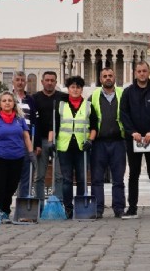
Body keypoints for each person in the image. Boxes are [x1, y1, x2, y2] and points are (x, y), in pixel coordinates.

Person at [120, 61, 150, 219]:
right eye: (139, 71)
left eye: (144, 71)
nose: (142, 73)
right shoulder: (127, 92)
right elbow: (124, 114)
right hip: (133, 139)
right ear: (135, 73)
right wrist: (132, 132)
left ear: (149, 72)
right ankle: (132, 208)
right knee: (134, 173)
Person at [0, 91, 34, 220]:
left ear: (14, 104)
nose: (7, 103)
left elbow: (26, 136)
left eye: (10, 100)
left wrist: (31, 152)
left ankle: (5, 210)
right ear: (0, 104)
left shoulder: (20, 120)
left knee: (11, 186)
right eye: (4, 100)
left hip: (17, 157)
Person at [54, 76, 98, 219]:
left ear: (81, 89)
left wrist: (90, 140)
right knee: (66, 179)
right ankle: (68, 207)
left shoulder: (88, 106)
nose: (75, 90)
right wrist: (51, 142)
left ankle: (80, 206)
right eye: (72, 87)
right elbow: (54, 125)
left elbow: (94, 126)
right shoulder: (60, 106)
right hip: (64, 147)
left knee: (81, 178)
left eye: (78, 87)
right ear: (68, 89)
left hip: (82, 147)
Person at [88, 67, 126, 219]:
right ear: (100, 79)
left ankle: (119, 208)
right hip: (99, 142)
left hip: (118, 141)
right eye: (105, 76)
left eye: (110, 75)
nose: (108, 78)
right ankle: (97, 209)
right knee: (97, 178)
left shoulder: (123, 95)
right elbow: (88, 119)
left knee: (118, 178)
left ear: (114, 77)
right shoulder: (93, 96)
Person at [31, 71, 66, 209]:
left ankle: (57, 204)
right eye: (47, 80)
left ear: (56, 82)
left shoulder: (63, 98)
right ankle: (39, 205)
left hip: (58, 141)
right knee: (39, 176)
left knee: (58, 175)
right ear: (42, 81)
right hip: (41, 140)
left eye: (52, 80)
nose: (50, 82)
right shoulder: (35, 98)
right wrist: (36, 143)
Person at [11, 71, 36, 198]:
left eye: (22, 80)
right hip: (9, 142)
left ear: (25, 82)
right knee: (10, 175)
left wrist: (34, 144)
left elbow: (35, 121)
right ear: (13, 82)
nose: (20, 82)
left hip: (26, 142)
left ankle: (23, 203)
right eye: (18, 80)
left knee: (26, 175)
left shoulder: (31, 100)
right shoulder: (7, 98)